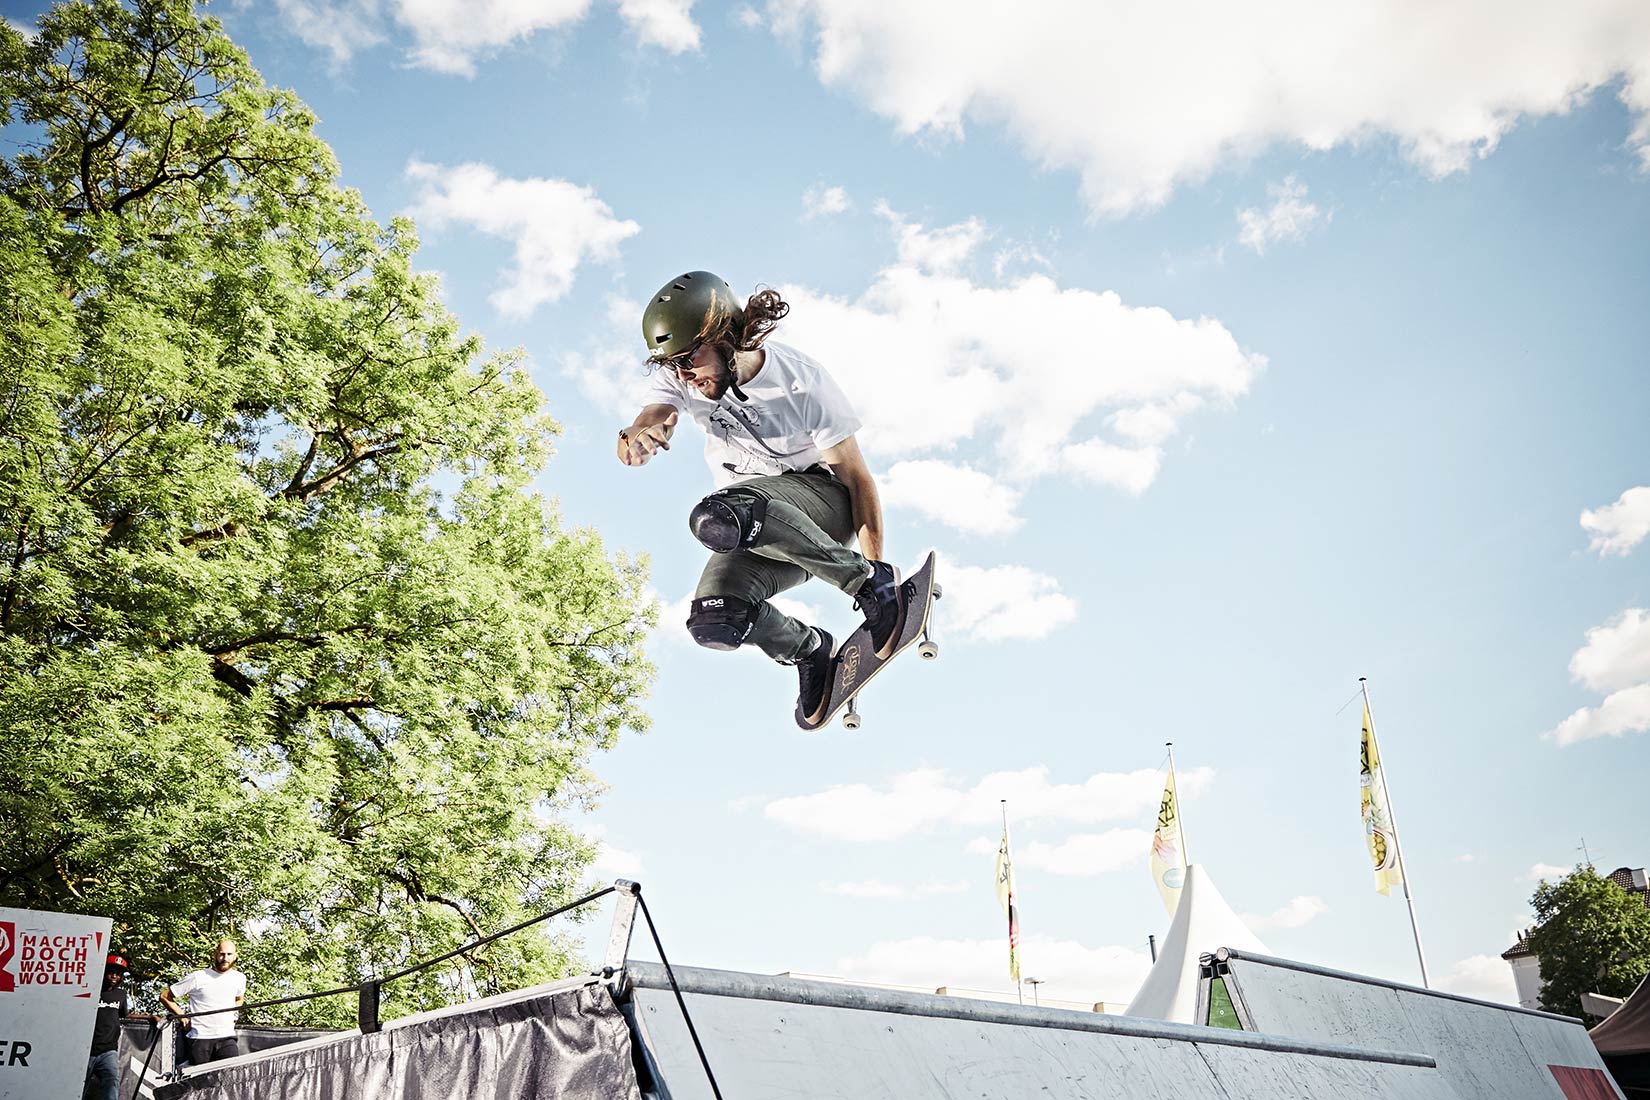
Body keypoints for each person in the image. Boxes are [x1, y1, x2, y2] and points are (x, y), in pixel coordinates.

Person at [619, 271, 902, 726]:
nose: (685, 374)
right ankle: (809, 649)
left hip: (824, 509)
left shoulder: (802, 381)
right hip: (757, 529)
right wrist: (637, 433)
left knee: (724, 511)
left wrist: (877, 571)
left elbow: (856, 477)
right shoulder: (681, 380)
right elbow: (655, 412)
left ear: (728, 339)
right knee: (716, 619)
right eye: (673, 365)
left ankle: (864, 582)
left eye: (691, 359)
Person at [159, 939, 246, 1065]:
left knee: (230, 1079)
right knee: (199, 1082)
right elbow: (164, 996)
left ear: (235, 956)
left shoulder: (240, 978)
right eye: (221, 954)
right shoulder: (198, 977)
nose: (225, 958)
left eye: (229, 954)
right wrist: (182, 1016)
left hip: (227, 1037)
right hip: (200, 1038)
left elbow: (239, 999)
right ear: (215, 955)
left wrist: (234, 1013)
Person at [84, 953, 153, 1100]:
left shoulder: (121, 994)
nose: (114, 976)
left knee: (111, 1083)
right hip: (86, 1050)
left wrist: (149, 1016)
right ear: (104, 972)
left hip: (108, 1050)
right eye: (111, 972)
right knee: (79, 1086)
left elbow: (125, 1015)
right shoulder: (91, 991)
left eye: (118, 973)